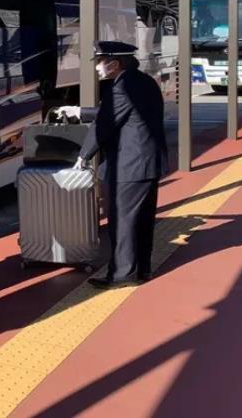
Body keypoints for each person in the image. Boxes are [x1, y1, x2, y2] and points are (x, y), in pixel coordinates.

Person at [57, 41, 168, 289]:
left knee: (122, 222)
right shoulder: (144, 81)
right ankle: (141, 270)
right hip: (147, 163)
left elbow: (106, 123)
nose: (97, 68)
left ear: (114, 64)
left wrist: (83, 156)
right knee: (142, 221)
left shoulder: (121, 87)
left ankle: (122, 275)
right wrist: (80, 111)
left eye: (99, 62)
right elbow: (121, 112)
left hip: (129, 166)